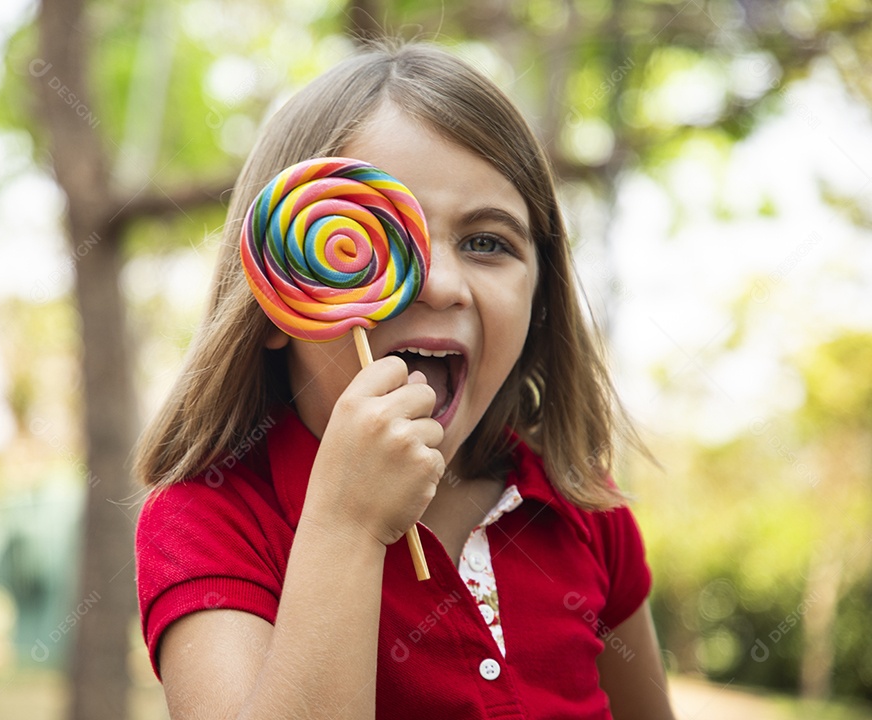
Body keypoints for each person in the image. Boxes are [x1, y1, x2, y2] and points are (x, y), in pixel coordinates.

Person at [133, 41, 676, 720]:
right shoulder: (210, 519)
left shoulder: (586, 512)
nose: (441, 284)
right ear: (277, 293)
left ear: (542, 297)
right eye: (379, 239)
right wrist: (347, 524)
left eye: (487, 242)